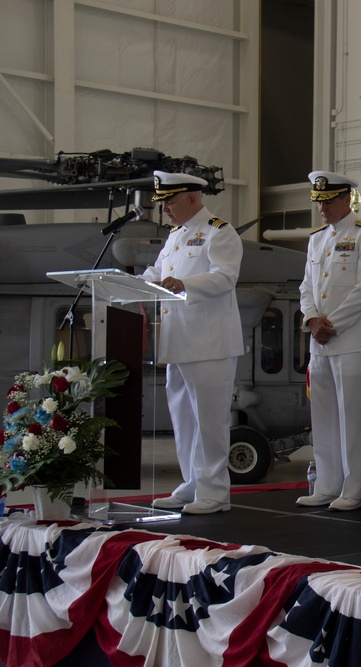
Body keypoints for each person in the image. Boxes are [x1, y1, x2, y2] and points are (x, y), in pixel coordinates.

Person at [144, 170, 244, 515]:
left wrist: (184, 284)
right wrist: (135, 284)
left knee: (209, 418)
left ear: (192, 198)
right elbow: (156, 274)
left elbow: (225, 277)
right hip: (177, 342)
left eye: (169, 201)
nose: (165, 210)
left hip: (209, 343)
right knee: (183, 418)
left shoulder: (219, 232)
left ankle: (214, 491)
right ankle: (191, 483)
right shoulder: (175, 236)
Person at [296, 171, 361, 511]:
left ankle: (352, 488)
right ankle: (326, 484)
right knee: (323, 418)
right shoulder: (317, 239)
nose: (322, 207)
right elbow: (306, 287)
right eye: (318, 201)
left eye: (329, 200)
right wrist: (311, 319)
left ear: (346, 199)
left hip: (351, 341)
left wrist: (329, 324)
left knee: (351, 418)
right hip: (319, 343)